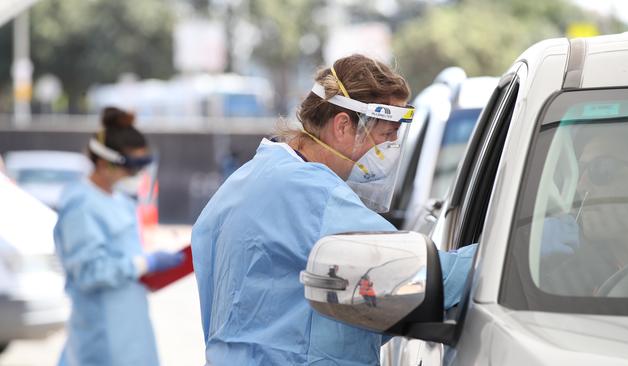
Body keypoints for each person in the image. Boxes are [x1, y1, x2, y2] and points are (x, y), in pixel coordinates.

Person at [192, 54, 477, 365]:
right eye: (386, 136)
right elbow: (420, 275)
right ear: (343, 126)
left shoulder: (247, 180)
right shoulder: (312, 194)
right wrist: (507, 247)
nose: (392, 149)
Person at [55, 107, 185, 366]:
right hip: (101, 335)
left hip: (132, 328)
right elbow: (89, 272)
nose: (135, 176)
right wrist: (144, 263)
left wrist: (151, 263)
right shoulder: (81, 205)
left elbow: (125, 252)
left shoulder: (120, 201)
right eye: (131, 168)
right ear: (104, 163)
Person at [541, 131, 628, 296]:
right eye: (580, 170)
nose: (580, 186)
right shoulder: (567, 279)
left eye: (601, 169)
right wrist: (524, 254)